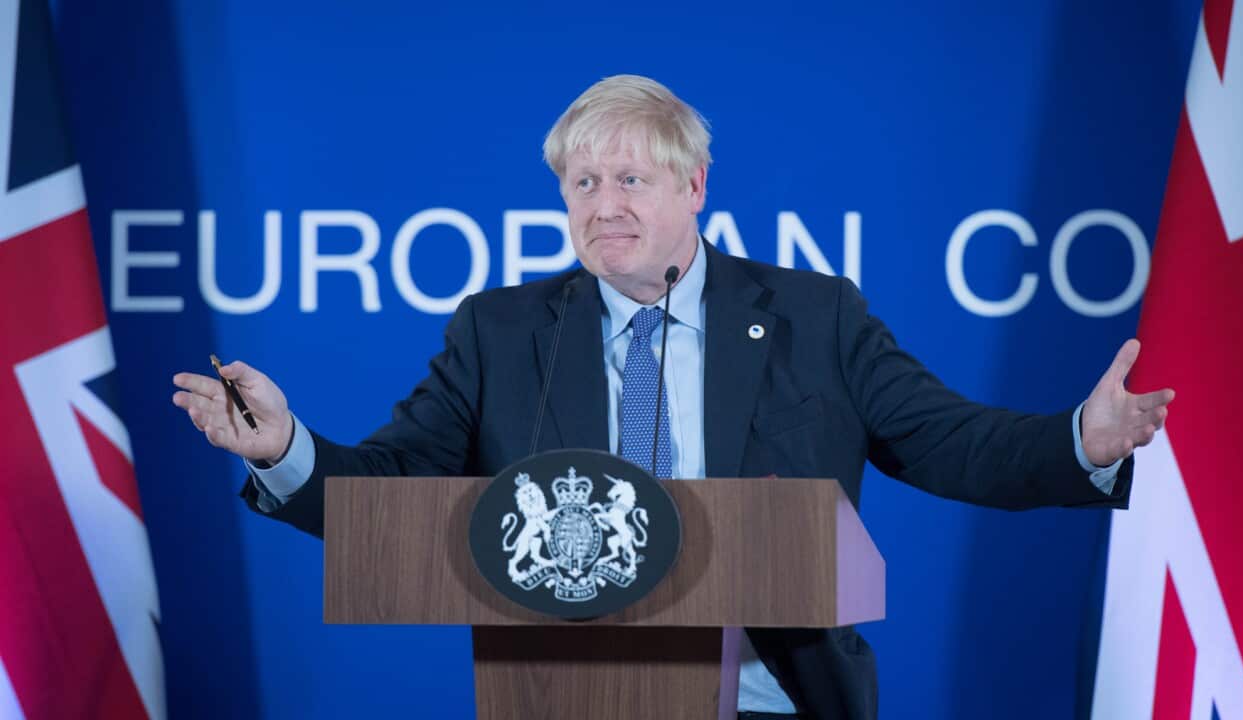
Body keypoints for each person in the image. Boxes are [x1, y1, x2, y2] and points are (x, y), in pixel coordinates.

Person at [172, 74, 1174, 720]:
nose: (602, 205)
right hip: (561, 701)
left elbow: (948, 441)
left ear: (695, 186)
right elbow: (391, 491)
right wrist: (283, 447)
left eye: (631, 180)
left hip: (773, 699)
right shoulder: (502, 329)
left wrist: (1082, 437)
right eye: (580, 182)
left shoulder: (809, 317)